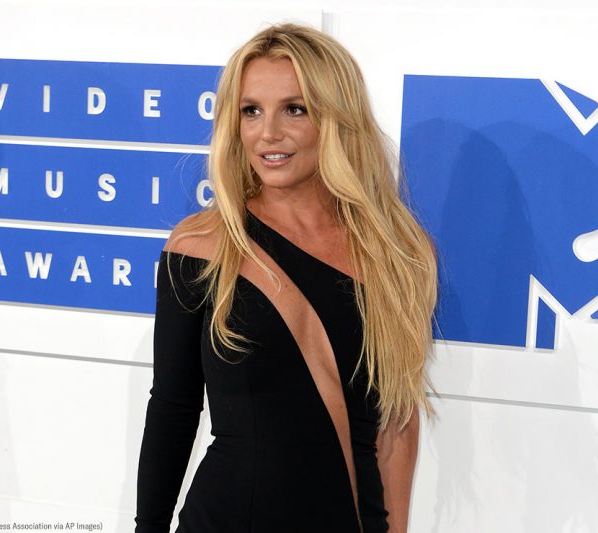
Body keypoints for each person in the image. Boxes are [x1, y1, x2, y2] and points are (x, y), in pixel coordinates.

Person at [135, 23, 437, 533]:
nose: (267, 133)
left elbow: (396, 425)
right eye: (251, 110)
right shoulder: (201, 246)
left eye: (294, 109)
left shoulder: (398, 255)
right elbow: (173, 406)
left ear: (336, 119)